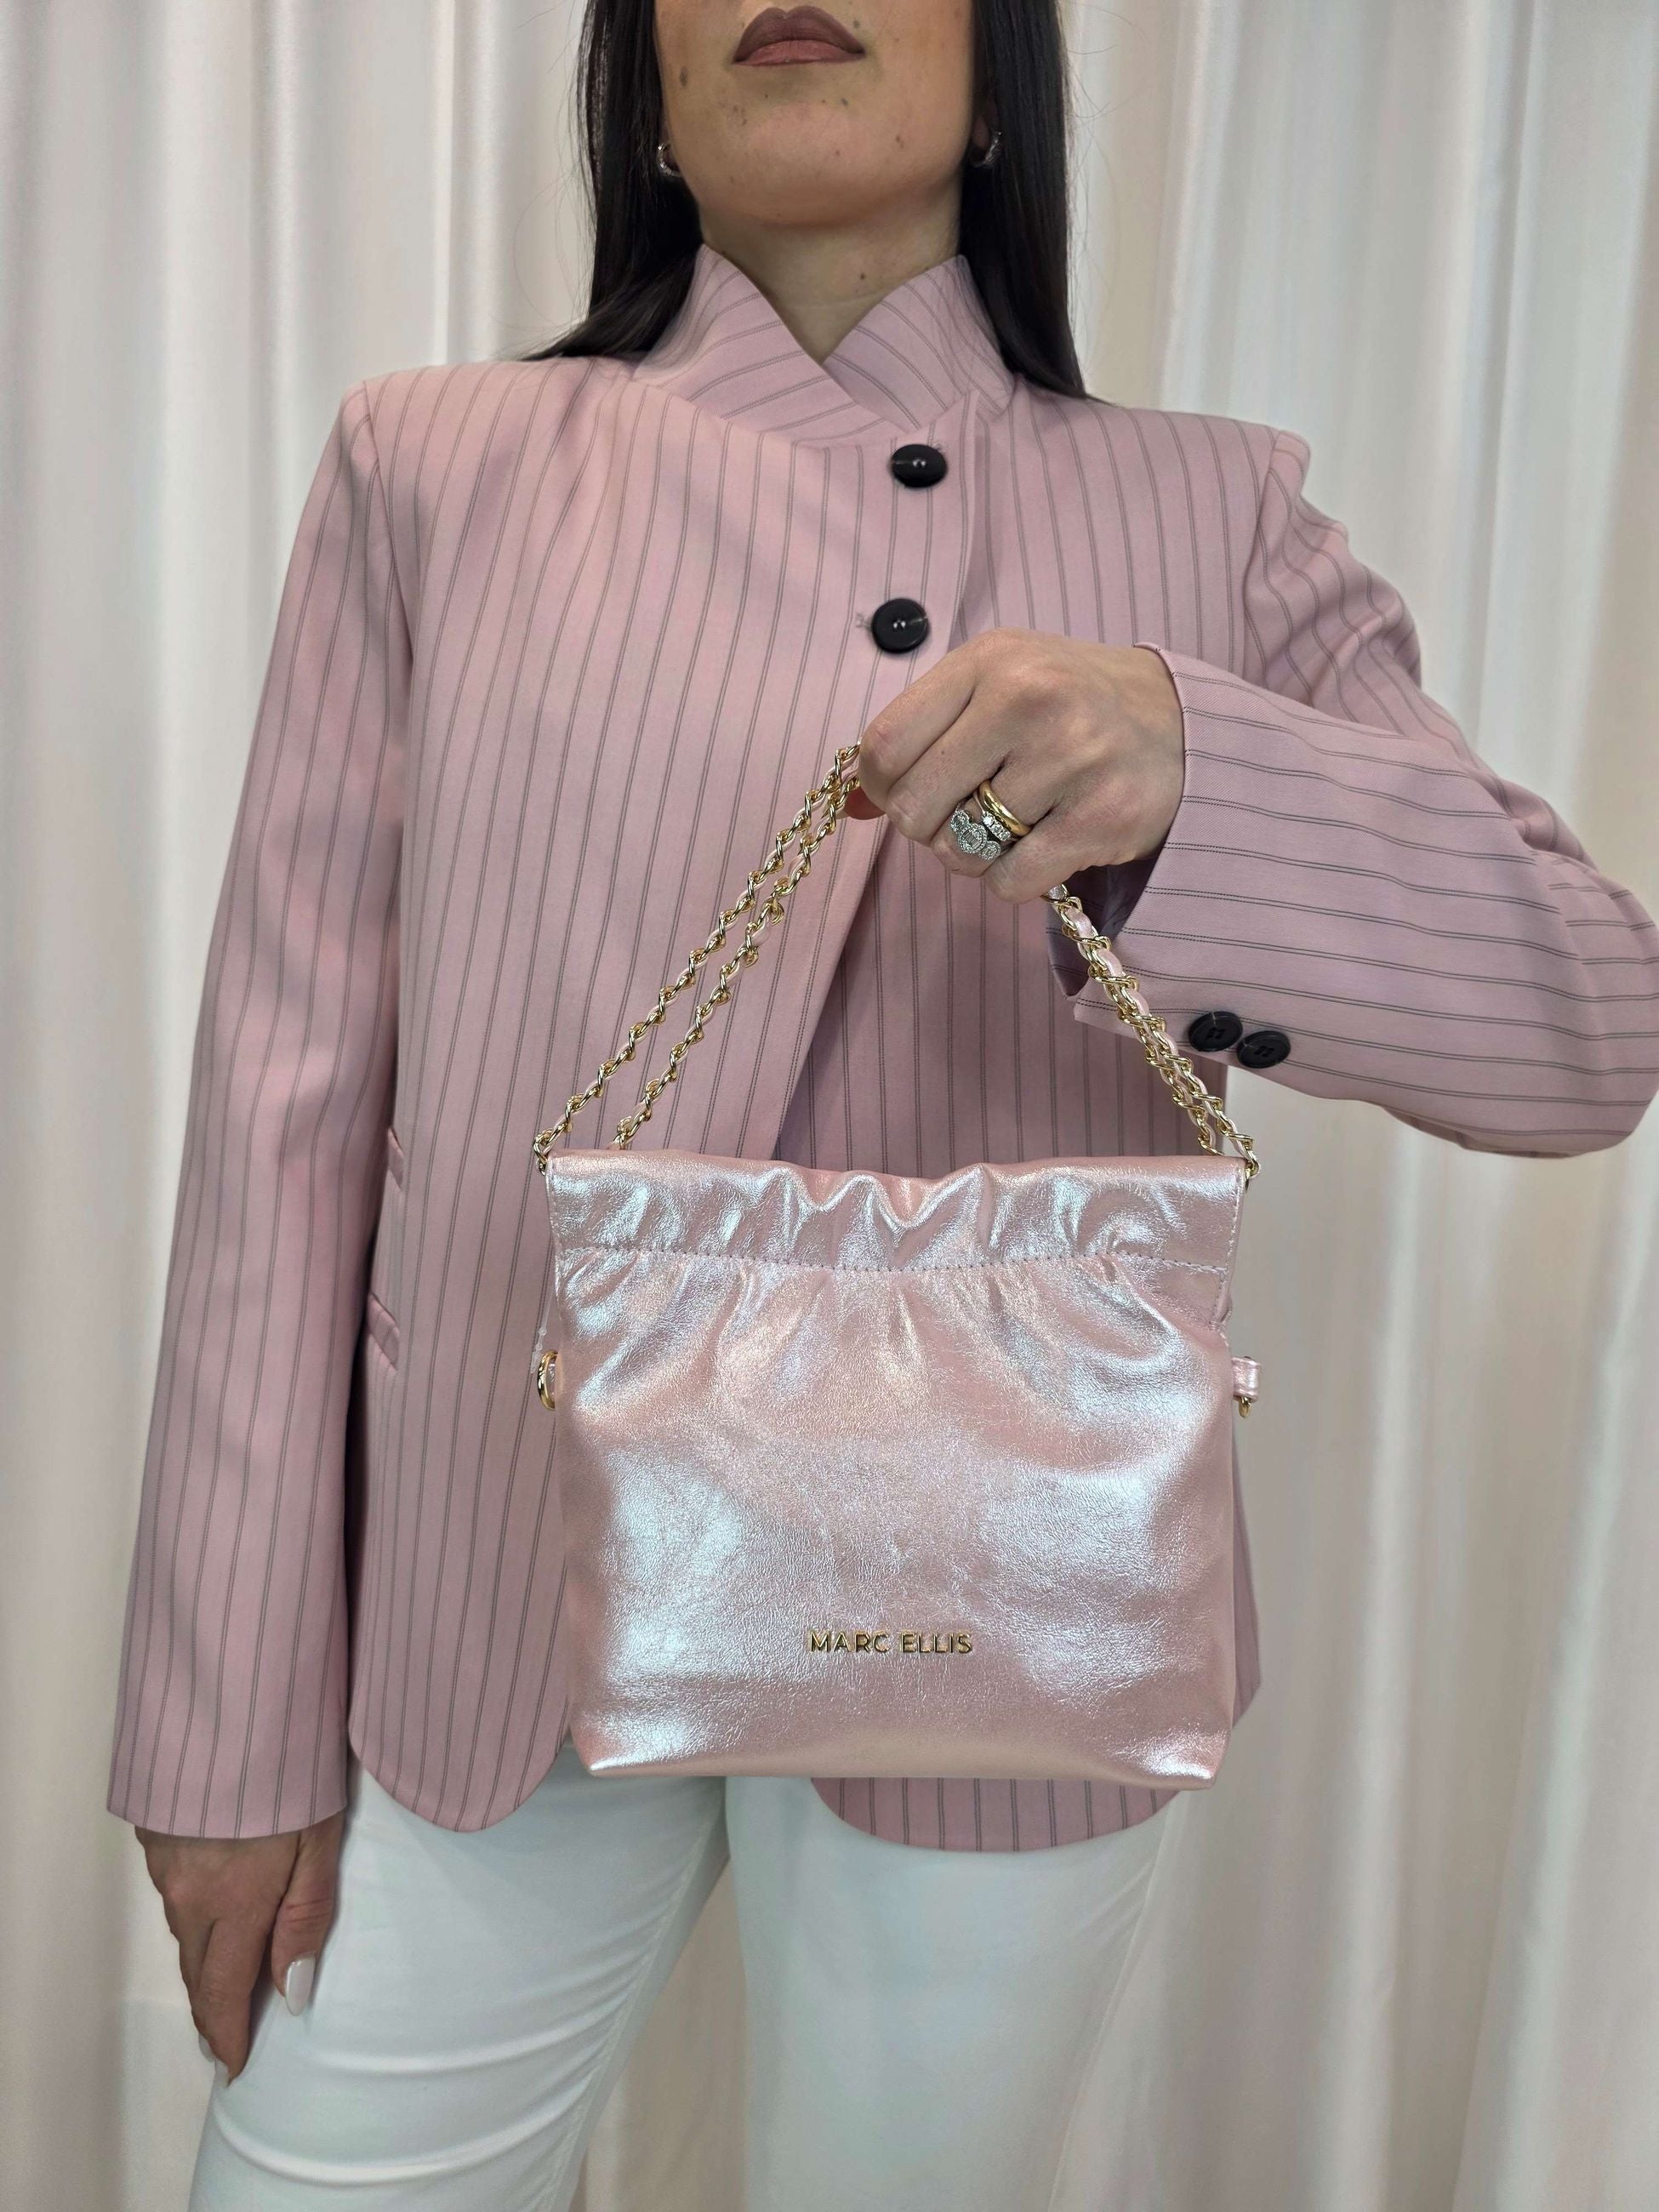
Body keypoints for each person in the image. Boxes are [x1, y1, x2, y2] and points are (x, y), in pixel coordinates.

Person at [105, 3, 1659, 2206]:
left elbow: (1593, 1024)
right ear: (643, 96)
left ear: (1003, 75)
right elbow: (284, 1113)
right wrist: (222, 1720)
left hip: (1011, 1622)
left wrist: (1195, 774)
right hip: (486, 1591)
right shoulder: (436, 464)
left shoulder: (1213, 508)